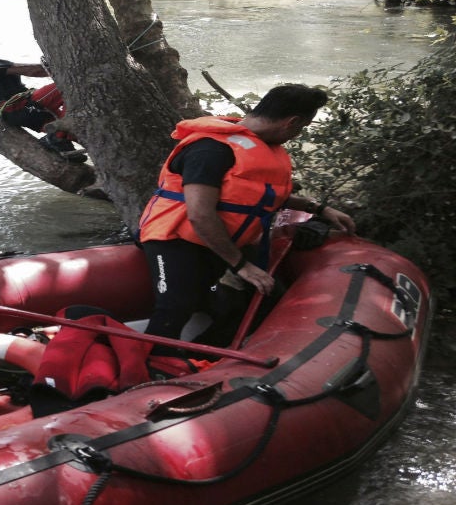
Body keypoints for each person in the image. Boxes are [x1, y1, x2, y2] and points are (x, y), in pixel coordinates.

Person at [137, 84, 357, 343]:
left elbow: (251, 198)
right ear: (292, 122)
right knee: (175, 307)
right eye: (301, 128)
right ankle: (151, 362)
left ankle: (202, 355)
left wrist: (318, 208)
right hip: (175, 239)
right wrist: (242, 265)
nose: (297, 135)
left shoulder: (257, 146)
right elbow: (200, 214)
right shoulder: (210, 150)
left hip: (218, 242)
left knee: (265, 303)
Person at [0, 11, 87, 163]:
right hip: (20, 105)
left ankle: (62, 141)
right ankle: (57, 138)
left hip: (14, 114)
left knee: (83, 133)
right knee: (71, 85)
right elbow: (31, 70)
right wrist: (61, 68)